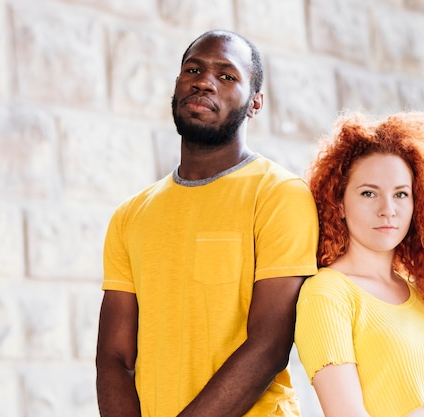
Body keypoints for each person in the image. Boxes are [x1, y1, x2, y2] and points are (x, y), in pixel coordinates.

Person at [95, 29, 319, 417]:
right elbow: (113, 356)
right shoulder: (131, 215)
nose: (204, 81)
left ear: (255, 103)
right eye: (193, 69)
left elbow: (269, 345)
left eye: (227, 76)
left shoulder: (279, 194)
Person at [294, 111, 424, 417]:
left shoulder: (421, 294)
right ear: (339, 202)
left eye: (401, 194)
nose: (388, 210)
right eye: (369, 193)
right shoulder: (326, 294)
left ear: (417, 203)